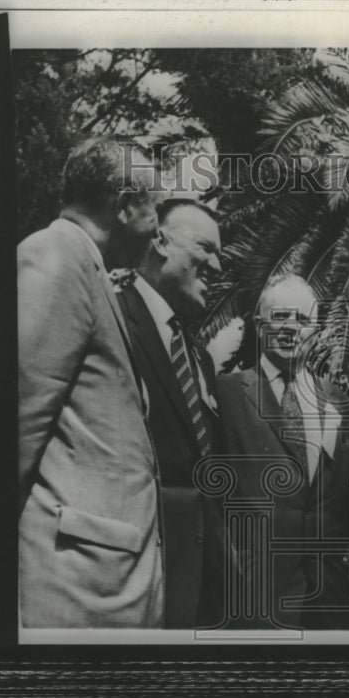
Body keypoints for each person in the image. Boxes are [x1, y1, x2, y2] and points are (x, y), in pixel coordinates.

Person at [18, 135, 163, 628]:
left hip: (101, 583)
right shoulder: (55, 255)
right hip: (73, 588)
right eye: (154, 208)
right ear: (123, 207)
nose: (157, 227)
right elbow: (17, 421)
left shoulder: (85, 264)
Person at [215, 275, 349, 630]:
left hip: (328, 600)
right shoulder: (225, 394)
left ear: (318, 331)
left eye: (303, 320)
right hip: (255, 595)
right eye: (280, 317)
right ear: (260, 325)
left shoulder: (338, 402)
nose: (291, 328)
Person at [113, 198, 226, 628]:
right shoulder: (115, 320)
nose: (217, 267)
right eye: (206, 248)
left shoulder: (199, 358)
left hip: (202, 588)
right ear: (159, 241)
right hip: (141, 580)